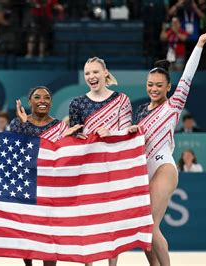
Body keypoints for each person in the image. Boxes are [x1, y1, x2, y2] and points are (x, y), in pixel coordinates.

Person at [130, 30, 206, 266]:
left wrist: (199, 44)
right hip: (144, 170)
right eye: (150, 85)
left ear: (168, 87)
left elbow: (188, 76)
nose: (154, 89)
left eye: (159, 85)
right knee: (144, 229)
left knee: (150, 224)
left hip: (163, 166)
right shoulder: (140, 113)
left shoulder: (173, 105)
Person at [68, 56, 132, 266]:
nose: (91, 76)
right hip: (89, 169)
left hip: (115, 166)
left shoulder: (121, 99)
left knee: (112, 220)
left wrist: (111, 132)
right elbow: (74, 139)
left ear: (105, 73)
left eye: (95, 72)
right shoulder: (77, 103)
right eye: (87, 73)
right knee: (90, 221)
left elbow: (127, 132)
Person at [10, 86, 71, 266]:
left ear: (51, 102)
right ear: (29, 102)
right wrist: (24, 124)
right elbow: (16, 150)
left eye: (46, 98)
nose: (42, 101)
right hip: (25, 186)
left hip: (50, 189)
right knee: (26, 234)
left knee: (49, 236)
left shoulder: (60, 126)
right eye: (37, 97)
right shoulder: (17, 123)